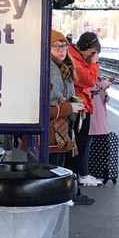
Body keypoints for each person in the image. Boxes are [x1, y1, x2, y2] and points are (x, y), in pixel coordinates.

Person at [46, 30, 93, 205]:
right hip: (50, 133)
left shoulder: (63, 68)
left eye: (63, 46)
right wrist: (69, 107)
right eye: (55, 46)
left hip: (61, 130)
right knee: (52, 172)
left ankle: (59, 201)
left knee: (58, 169)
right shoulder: (47, 69)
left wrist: (73, 104)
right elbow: (43, 108)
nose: (61, 50)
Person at [68, 32, 104, 187]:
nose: (92, 56)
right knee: (78, 146)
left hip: (82, 106)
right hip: (78, 108)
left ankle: (77, 179)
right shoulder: (74, 60)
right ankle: (74, 182)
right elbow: (89, 80)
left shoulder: (78, 58)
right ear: (84, 47)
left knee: (80, 145)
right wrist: (94, 64)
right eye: (92, 52)